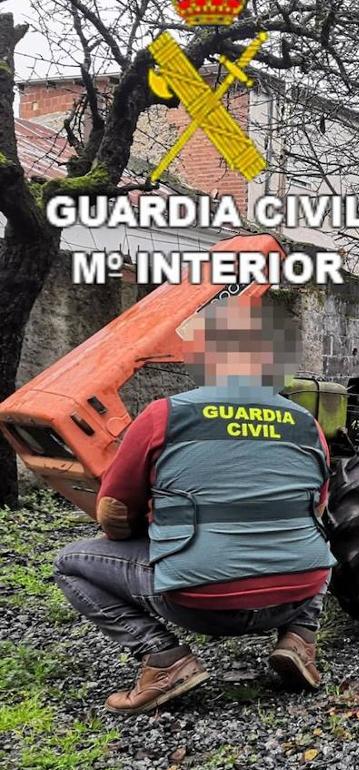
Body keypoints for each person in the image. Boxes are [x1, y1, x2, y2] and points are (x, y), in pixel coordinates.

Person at [53, 294, 335, 715]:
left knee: (70, 563)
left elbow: (114, 512)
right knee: (310, 537)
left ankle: (164, 660)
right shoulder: (307, 423)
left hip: (202, 604)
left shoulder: (162, 416)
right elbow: (313, 510)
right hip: (296, 593)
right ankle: (300, 639)